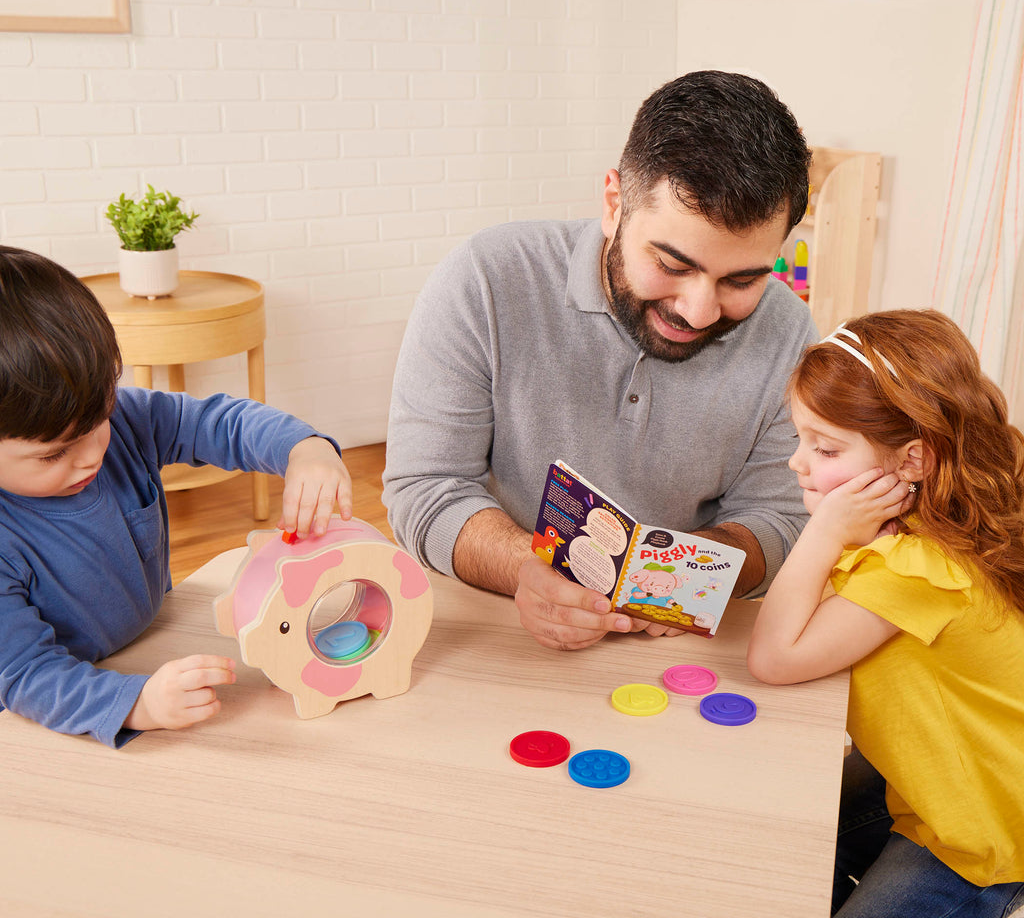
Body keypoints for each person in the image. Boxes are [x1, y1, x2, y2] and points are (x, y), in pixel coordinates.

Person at [383, 70, 817, 650]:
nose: (699, 310)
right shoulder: (486, 278)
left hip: (688, 649)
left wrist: (682, 584)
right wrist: (525, 570)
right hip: (499, 631)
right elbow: (425, 487)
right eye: (672, 264)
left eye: (741, 279)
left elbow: (779, 518)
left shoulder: (790, 334)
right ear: (614, 204)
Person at [0, 246, 353, 748]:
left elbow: (219, 422)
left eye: (99, 418)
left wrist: (305, 449)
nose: (90, 455)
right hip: (51, 712)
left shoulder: (122, 420)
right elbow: (26, 676)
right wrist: (137, 704)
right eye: (53, 455)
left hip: (145, 644)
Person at [746, 310, 1024, 917]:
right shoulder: (932, 523)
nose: (798, 461)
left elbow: (774, 656)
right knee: (773, 835)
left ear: (912, 462)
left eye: (824, 447)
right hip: (937, 787)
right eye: (800, 438)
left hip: (978, 839)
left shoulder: (918, 569)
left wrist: (820, 533)